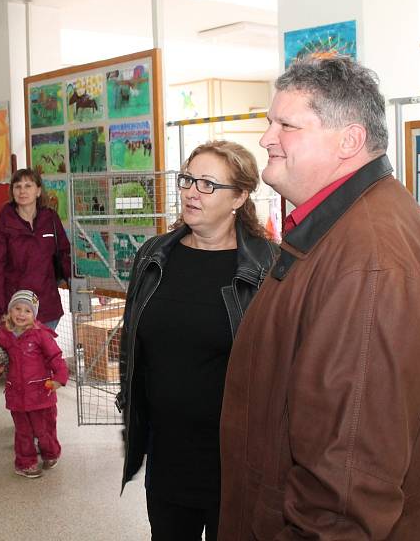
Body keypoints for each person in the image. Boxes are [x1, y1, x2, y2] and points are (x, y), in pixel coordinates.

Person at [219, 56, 420, 540]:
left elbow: (345, 493)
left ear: (349, 141)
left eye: (285, 125)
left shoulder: (369, 260)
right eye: (270, 122)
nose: (266, 138)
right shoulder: (342, 225)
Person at [117, 141, 279, 541]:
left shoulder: (268, 266)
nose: (191, 191)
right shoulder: (153, 255)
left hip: (236, 458)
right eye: (188, 179)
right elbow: (133, 344)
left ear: (240, 196)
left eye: (207, 184)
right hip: (168, 453)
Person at [0, 290, 69, 478]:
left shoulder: (41, 335)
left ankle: (50, 453)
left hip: (41, 392)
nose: (21, 314)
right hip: (17, 394)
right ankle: (25, 463)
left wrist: (59, 378)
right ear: (10, 311)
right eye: (17, 309)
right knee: (23, 431)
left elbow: (55, 357)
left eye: (27, 311)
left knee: (45, 428)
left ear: (34, 315)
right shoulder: (3, 335)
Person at [0, 168, 71, 331]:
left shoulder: (50, 218)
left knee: (44, 356)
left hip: (47, 309)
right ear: (12, 191)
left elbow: (65, 255)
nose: (22, 191)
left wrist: (78, 285)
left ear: (38, 191)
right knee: (18, 357)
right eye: (17, 186)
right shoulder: (4, 223)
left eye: (28, 186)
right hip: (17, 312)